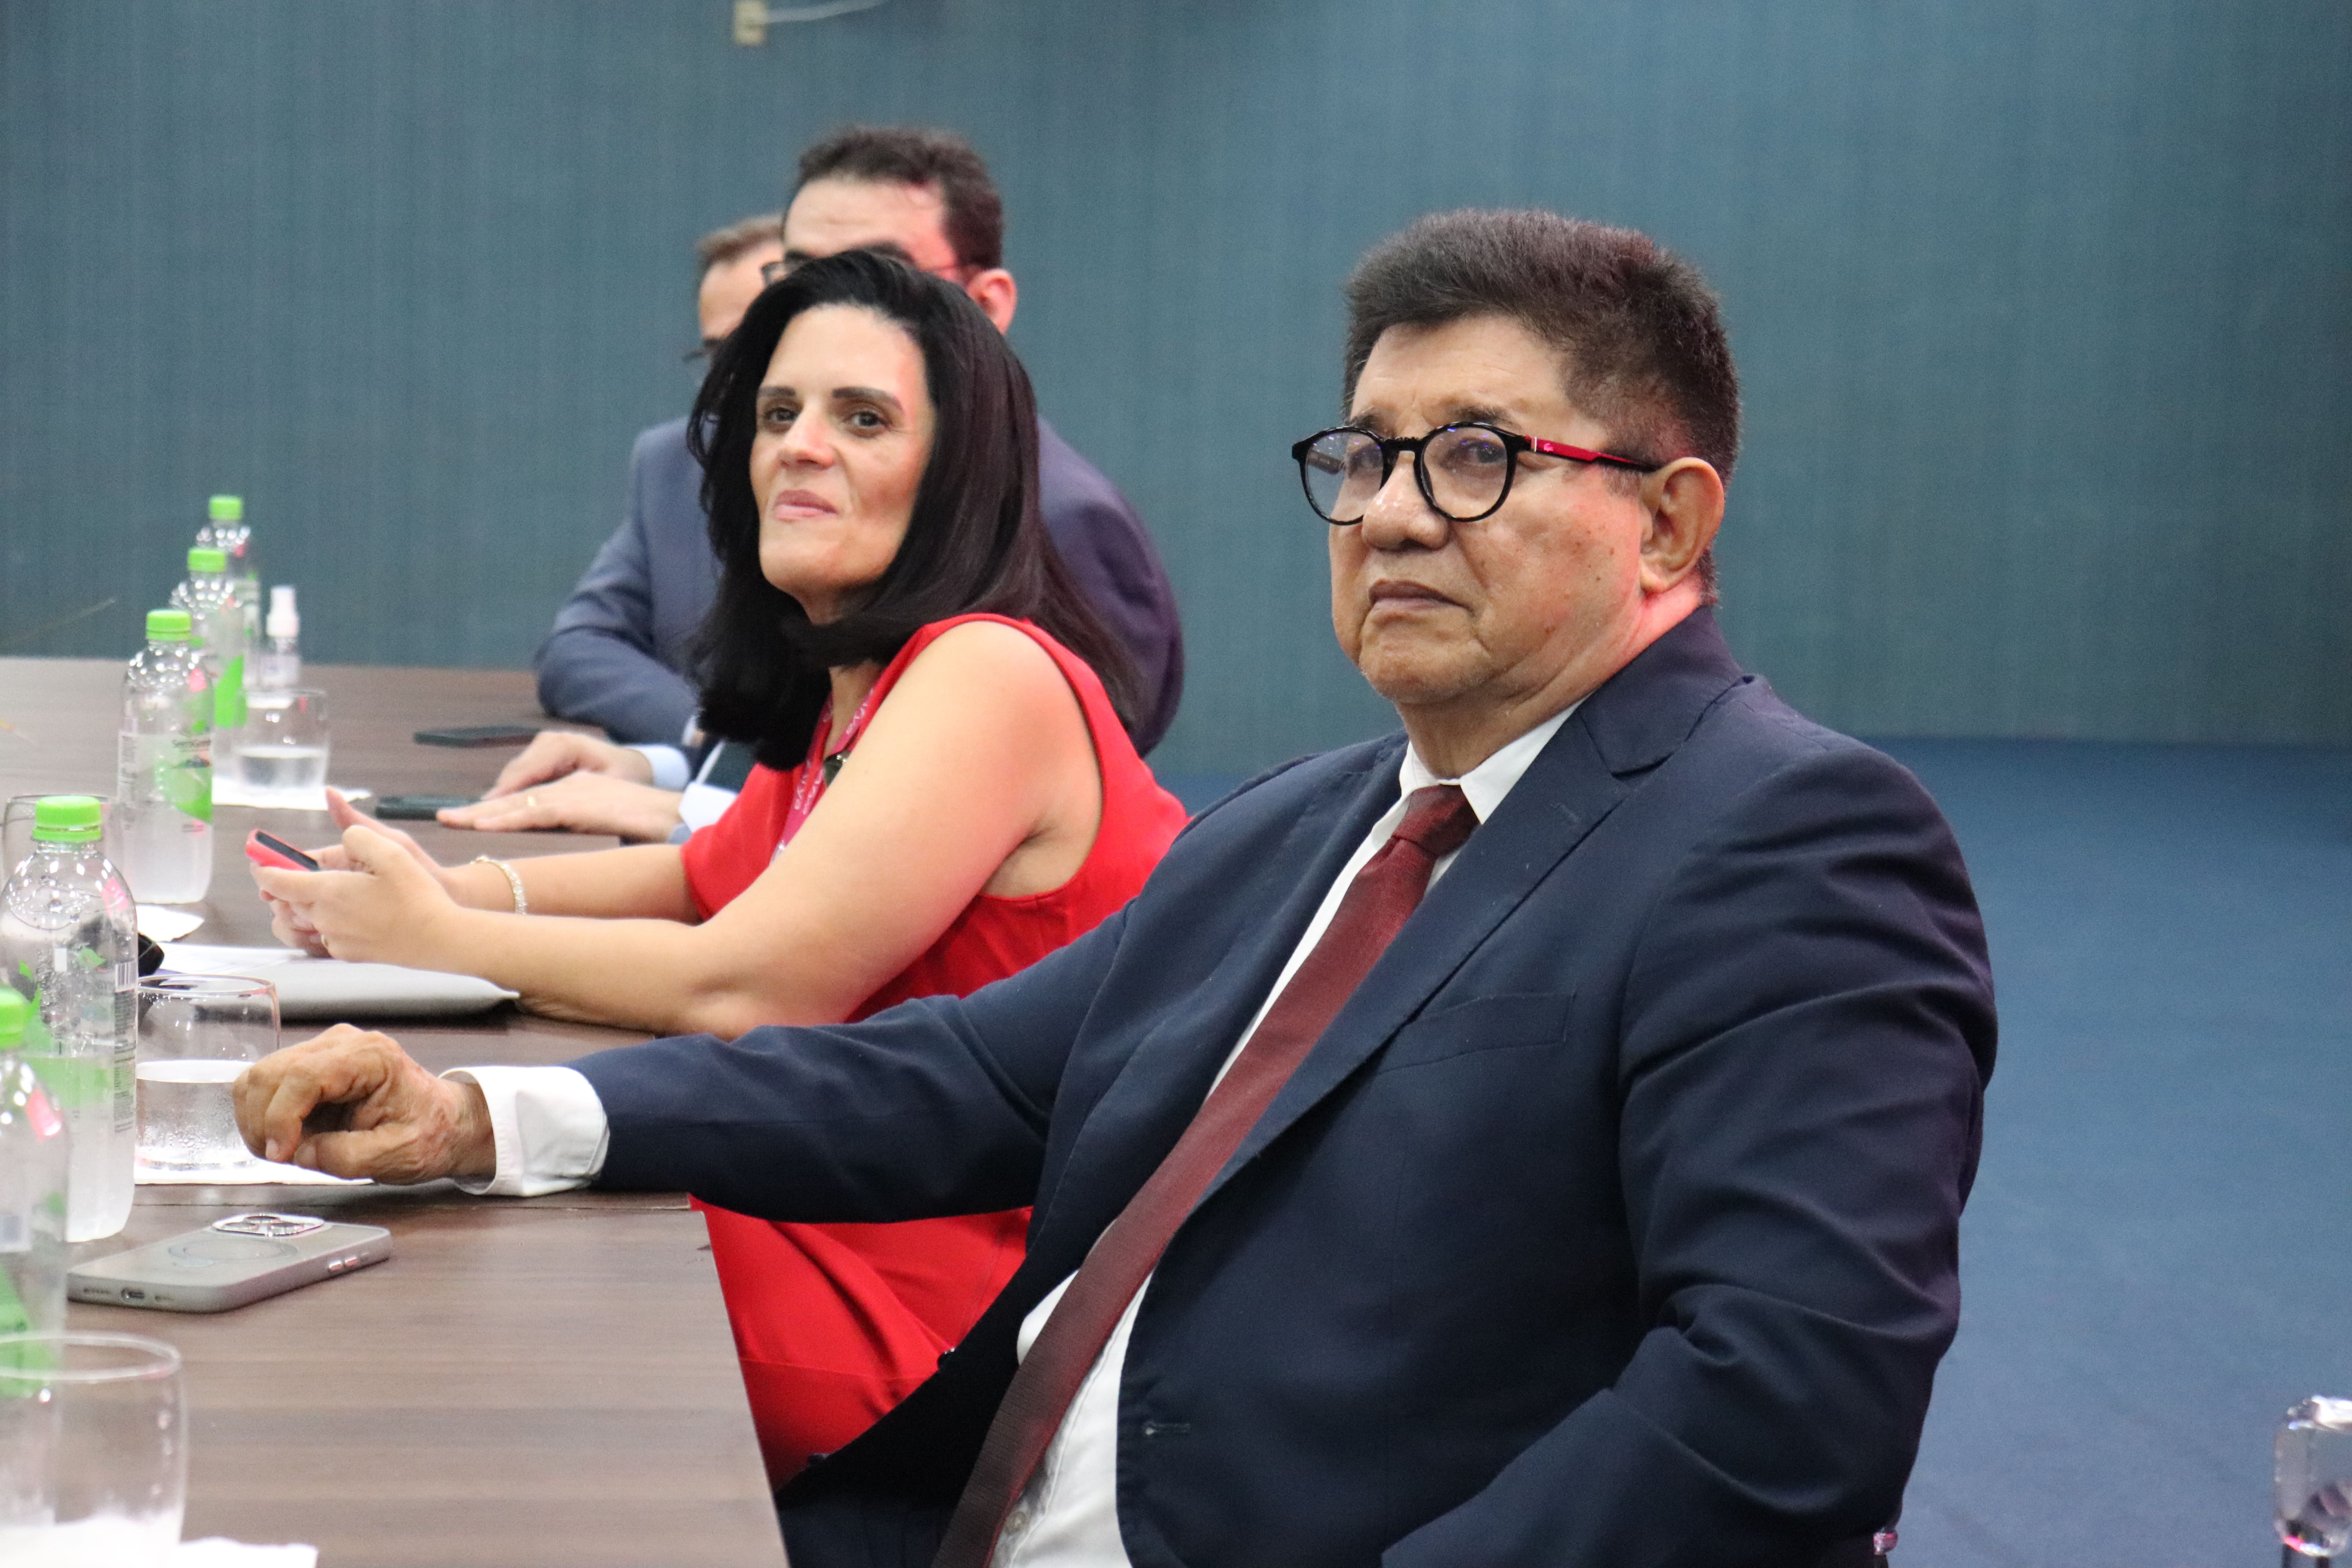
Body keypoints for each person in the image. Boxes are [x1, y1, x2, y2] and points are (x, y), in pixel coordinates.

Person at [238, 210, 1996, 1568]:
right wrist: (484, 1115)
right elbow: (965, 1079)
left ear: (1671, 523)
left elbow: (1783, 1401)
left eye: (1478, 457)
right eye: (1366, 456)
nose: (1392, 515)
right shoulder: (1306, 822)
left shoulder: (1789, 839)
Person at [254, 250, 1191, 1484]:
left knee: (419, 1284)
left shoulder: (990, 672)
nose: (801, 446)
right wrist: (451, 889)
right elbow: (705, 877)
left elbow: (746, 986)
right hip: (815, 1209)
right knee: (410, 1252)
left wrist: (436, 938)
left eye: (864, 419)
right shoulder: (859, 674)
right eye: (779, 413)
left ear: (959, 471)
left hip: (936, 1310)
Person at [501, 124, 1185, 843]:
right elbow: (803, 752)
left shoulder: (1066, 519)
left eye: (875, 272)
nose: (827, 306)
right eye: (800, 274)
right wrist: (673, 774)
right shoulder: (758, 468)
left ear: (986, 305)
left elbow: (1002, 825)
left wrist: (692, 817)